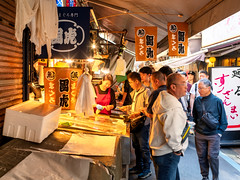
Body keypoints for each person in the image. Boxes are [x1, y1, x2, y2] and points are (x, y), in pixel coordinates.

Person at [150, 73, 188, 180]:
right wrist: (177, 150)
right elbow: (173, 133)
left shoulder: (163, 97)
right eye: (183, 84)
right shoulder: (173, 107)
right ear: (173, 87)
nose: (186, 86)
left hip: (160, 151)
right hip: (168, 153)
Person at [193, 78, 228, 180]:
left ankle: (215, 177)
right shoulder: (197, 101)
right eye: (198, 88)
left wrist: (219, 133)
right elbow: (195, 116)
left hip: (213, 134)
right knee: (201, 157)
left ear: (208, 88)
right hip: (199, 134)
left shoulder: (217, 101)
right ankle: (205, 176)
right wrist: (196, 129)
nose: (199, 91)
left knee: (212, 157)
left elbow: (224, 120)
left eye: (201, 88)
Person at [125, 72, 152, 179]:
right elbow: (135, 105)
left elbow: (148, 108)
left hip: (143, 124)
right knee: (136, 146)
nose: (130, 84)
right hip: (135, 123)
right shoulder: (135, 92)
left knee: (143, 147)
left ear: (137, 81)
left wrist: (138, 113)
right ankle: (138, 166)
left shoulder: (147, 91)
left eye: (131, 82)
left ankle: (147, 169)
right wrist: (127, 108)